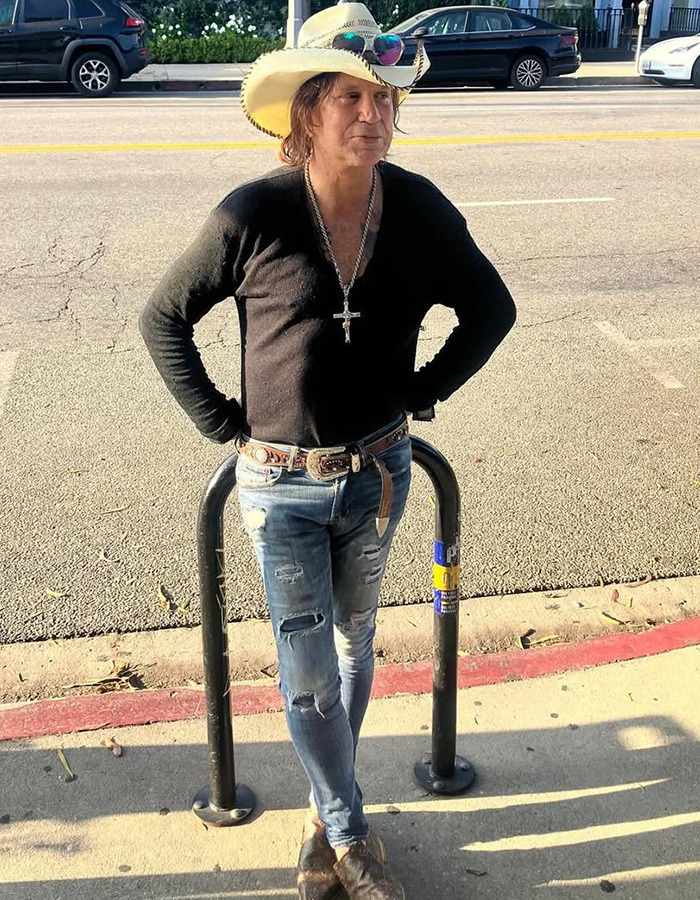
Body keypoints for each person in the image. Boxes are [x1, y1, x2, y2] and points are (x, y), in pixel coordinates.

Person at [139, 3, 516, 897]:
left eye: (384, 97)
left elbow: (491, 310)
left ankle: (322, 818)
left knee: (354, 648)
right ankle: (349, 834)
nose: (371, 113)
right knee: (308, 676)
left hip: (379, 477)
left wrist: (423, 391)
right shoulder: (254, 213)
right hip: (280, 486)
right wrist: (222, 423)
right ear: (307, 112)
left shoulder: (418, 207)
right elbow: (163, 319)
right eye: (350, 96)